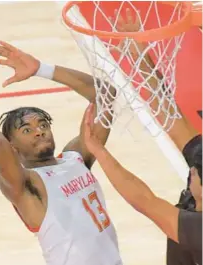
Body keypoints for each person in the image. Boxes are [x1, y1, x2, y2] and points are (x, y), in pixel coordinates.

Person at [0, 41, 123, 265]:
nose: (39, 132)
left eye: (43, 125)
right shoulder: (26, 184)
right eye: (27, 130)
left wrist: (42, 69)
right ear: (12, 145)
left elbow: (106, 96)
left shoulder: (76, 157)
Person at [84, 9, 202, 265]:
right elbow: (170, 113)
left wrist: (99, 151)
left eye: (195, 174)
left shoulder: (196, 230)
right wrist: (139, 54)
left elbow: (142, 199)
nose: (191, 172)